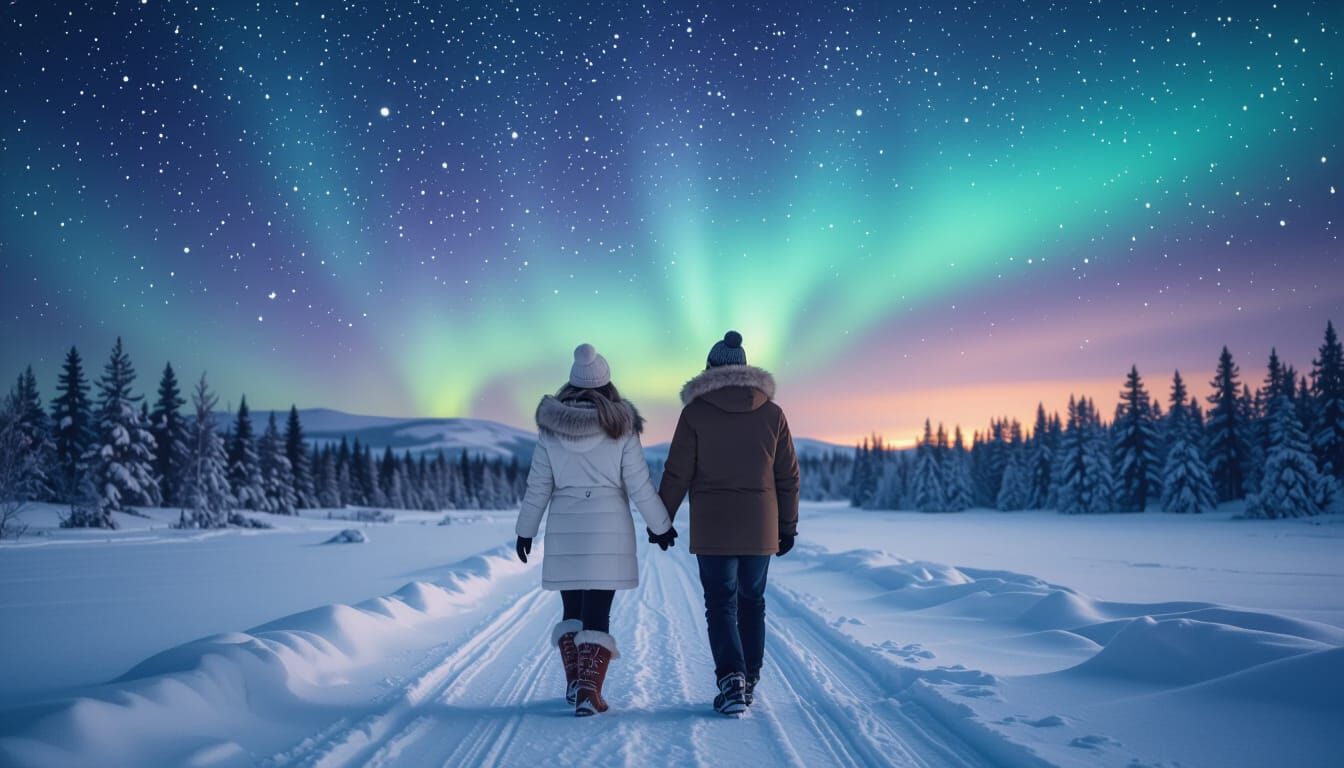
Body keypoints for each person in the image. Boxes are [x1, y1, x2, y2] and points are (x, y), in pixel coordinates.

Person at [515, 343, 679, 717]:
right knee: (598, 611)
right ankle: (589, 690)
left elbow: (538, 485)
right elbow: (638, 484)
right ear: (607, 384)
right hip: (608, 529)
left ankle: (575, 683)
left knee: (571, 605)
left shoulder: (551, 429)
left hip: (565, 527)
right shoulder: (620, 426)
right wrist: (661, 526)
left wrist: (525, 530)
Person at [658, 330, 800, 716]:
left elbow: (676, 474)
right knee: (752, 603)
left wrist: (660, 520)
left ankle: (731, 678)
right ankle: (748, 678)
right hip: (760, 527)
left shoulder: (695, 413)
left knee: (720, 603)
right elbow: (787, 476)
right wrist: (787, 525)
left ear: (710, 370)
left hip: (714, 527)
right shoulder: (772, 413)